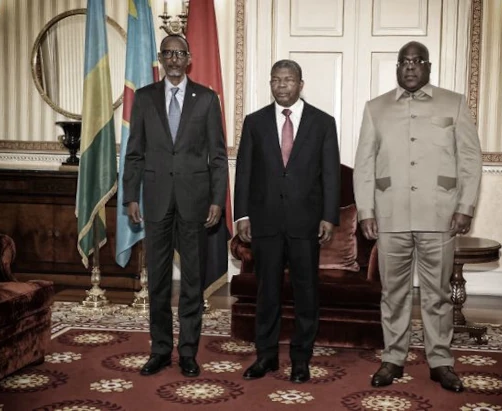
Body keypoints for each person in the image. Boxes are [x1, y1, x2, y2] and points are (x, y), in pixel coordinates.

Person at [353, 41, 482, 392]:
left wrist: (465, 206)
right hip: (390, 215)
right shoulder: (376, 108)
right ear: (397, 68)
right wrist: (366, 211)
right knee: (392, 293)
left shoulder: (454, 103)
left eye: (417, 61)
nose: (410, 66)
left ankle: (440, 361)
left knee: (436, 294)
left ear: (428, 67)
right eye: (404, 62)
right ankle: (393, 358)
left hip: (439, 216)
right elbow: (364, 165)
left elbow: (470, 160)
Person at [122, 34, 228, 377]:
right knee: (158, 280)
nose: (173, 59)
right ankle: (160, 350)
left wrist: (217, 199)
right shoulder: (144, 98)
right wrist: (131, 196)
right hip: (155, 199)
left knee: (193, 281)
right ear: (160, 57)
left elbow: (218, 156)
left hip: (195, 201)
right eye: (167, 53)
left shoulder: (207, 99)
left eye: (180, 53)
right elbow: (134, 153)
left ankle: (188, 352)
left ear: (189, 58)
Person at [234, 59, 340, 383]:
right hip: (265, 222)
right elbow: (244, 171)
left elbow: (330, 174)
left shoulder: (323, 122)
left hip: (305, 223)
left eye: (288, 80)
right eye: (276, 80)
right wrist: (242, 215)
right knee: (267, 293)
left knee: (306, 293)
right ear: (270, 84)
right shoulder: (254, 122)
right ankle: (265, 356)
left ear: (300, 84)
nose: (282, 85)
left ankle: (301, 358)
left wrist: (329, 216)